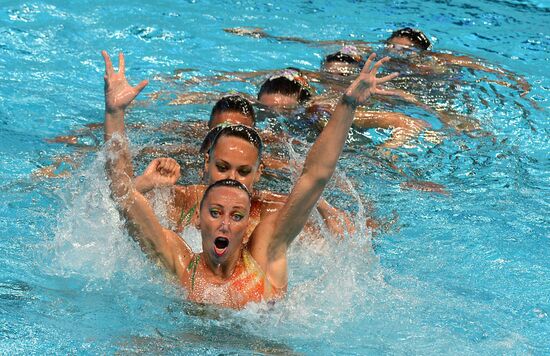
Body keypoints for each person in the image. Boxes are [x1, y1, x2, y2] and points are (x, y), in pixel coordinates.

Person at [101, 50, 399, 308]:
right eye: (215, 213)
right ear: (200, 219)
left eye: (237, 215)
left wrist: (347, 105)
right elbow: (124, 195)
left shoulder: (264, 255)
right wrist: (115, 112)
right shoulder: (179, 263)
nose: (225, 224)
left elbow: (314, 177)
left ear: (248, 224)